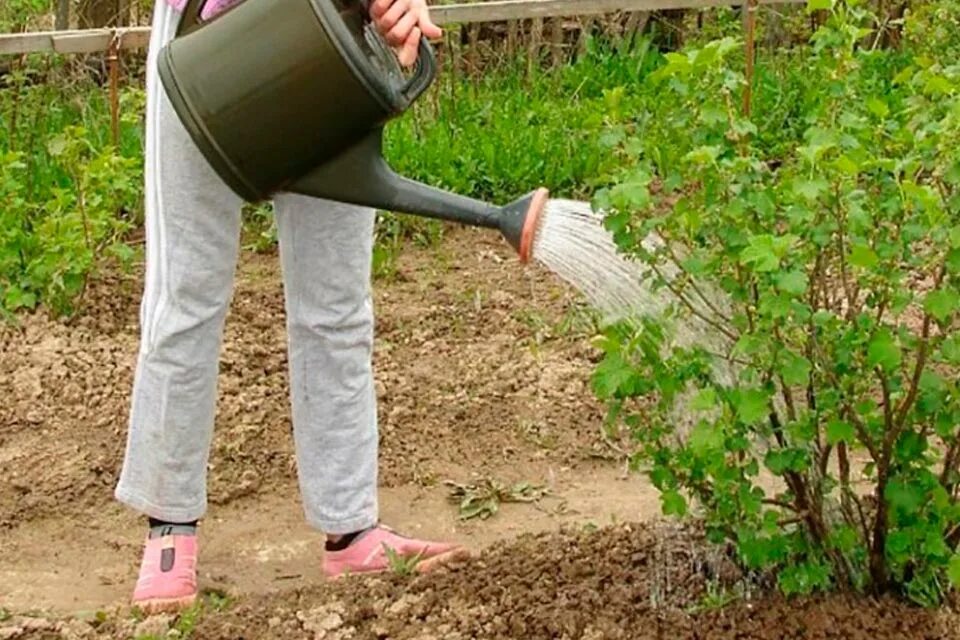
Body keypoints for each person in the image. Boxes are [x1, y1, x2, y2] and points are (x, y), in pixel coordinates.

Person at [114, 0, 464, 614]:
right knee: (184, 298)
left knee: (336, 309)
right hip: (208, 42)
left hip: (331, 40)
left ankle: (351, 530)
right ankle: (170, 528)